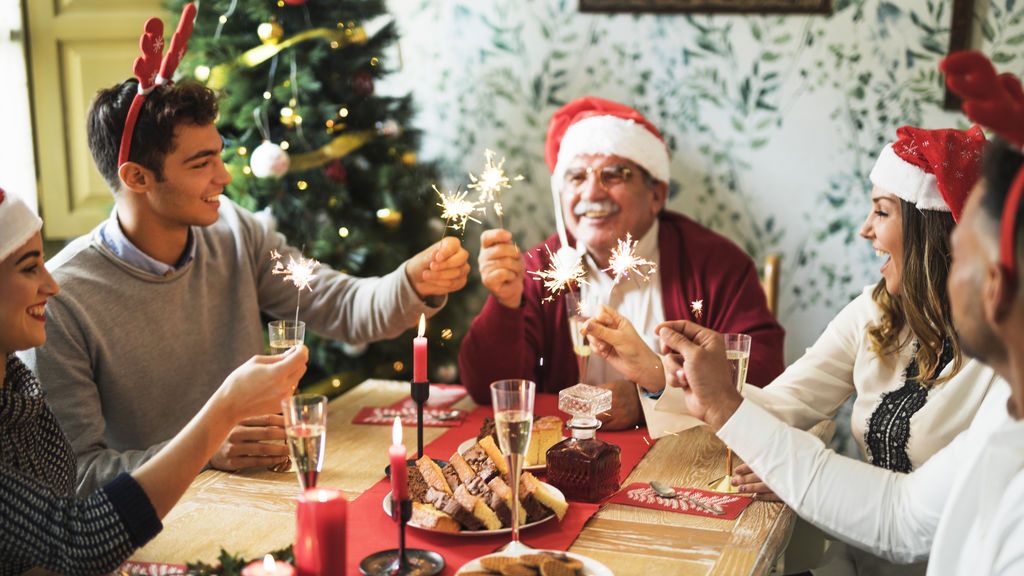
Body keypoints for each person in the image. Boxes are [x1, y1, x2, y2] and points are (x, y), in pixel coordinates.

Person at [21, 7, 470, 496]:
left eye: (220, 153)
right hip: (157, 533)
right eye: (202, 163)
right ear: (137, 178)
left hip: (263, 496)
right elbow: (75, 476)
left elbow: (339, 304)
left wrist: (410, 283)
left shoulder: (234, 230)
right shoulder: (63, 299)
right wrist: (205, 448)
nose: (225, 176)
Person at [656, 50, 1024, 576]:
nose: (865, 230)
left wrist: (757, 431)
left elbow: (904, 525)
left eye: (968, 248)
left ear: (997, 282)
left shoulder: (999, 392)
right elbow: (900, 515)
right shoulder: (1001, 414)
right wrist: (693, 388)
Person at [590, 123, 995, 575]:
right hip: (856, 562)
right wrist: (656, 372)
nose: (865, 230)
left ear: (930, 230)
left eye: (882, 212)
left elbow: (911, 519)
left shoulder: (1003, 364)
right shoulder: (874, 313)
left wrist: (799, 473)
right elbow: (784, 406)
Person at [0, 188, 309, 575]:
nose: (52, 285)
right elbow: (77, 540)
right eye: (30, 268)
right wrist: (224, 411)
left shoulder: (18, 387)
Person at [458, 97, 784, 435]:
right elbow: (489, 390)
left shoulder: (716, 266)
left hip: (685, 463)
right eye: (576, 177)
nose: (592, 192)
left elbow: (765, 375)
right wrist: (505, 307)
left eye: (614, 174)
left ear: (656, 194)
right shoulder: (541, 269)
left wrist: (651, 395)